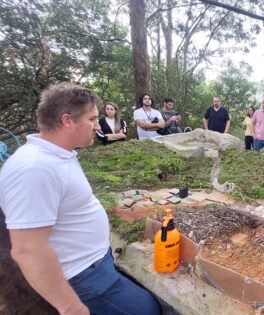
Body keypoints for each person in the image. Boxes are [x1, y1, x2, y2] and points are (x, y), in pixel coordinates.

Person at [0, 83, 161, 314]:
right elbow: (27, 250)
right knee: (148, 310)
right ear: (67, 120)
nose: (97, 125)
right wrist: (70, 306)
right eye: (92, 119)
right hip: (81, 275)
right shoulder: (35, 168)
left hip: (94, 265)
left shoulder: (56, 156)